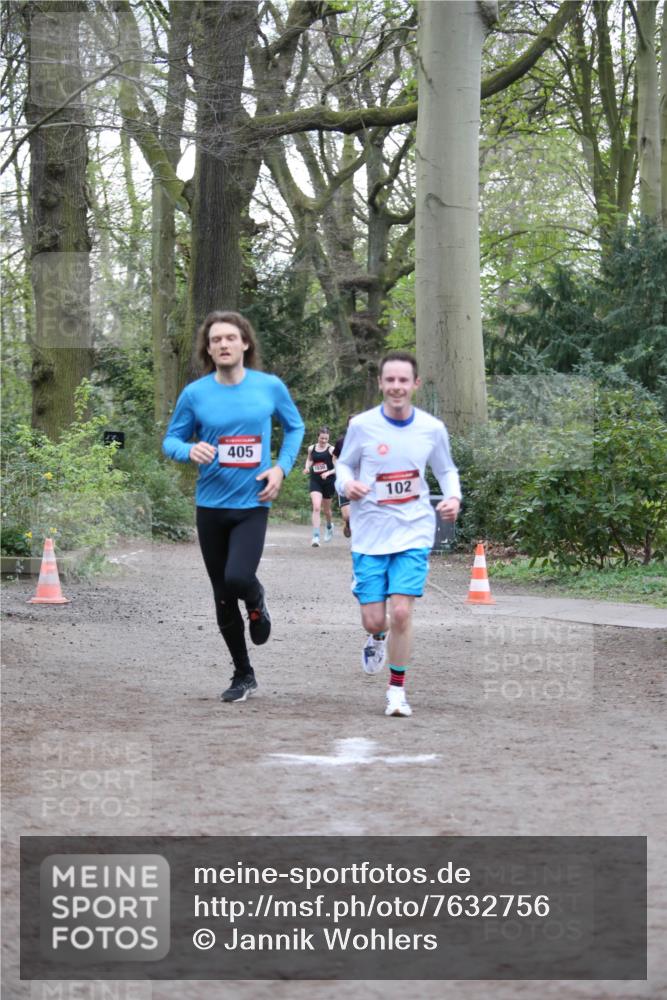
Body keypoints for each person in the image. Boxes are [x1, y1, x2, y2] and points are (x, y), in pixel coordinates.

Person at [162, 311, 305, 703]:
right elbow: (170, 441)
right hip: (210, 506)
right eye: (215, 340)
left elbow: (295, 428)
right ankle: (243, 673)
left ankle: (257, 600)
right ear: (208, 349)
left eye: (230, 337)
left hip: (252, 503)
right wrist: (190, 449)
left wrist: (281, 467)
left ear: (245, 343)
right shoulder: (196, 394)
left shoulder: (269, 387)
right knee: (222, 594)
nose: (223, 344)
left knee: (239, 579)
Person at [335, 350, 461, 718]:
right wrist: (349, 483)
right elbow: (343, 463)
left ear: (415, 384)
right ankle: (376, 637)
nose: (396, 387)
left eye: (403, 380)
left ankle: (397, 691)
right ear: (380, 383)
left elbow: (446, 469)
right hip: (370, 534)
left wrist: (453, 497)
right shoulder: (362, 425)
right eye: (390, 380)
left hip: (413, 530)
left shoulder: (432, 429)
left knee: (402, 612)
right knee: (376, 620)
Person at [303, 426, 336, 546]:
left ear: (329, 438)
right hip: (315, 480)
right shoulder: (311, 448)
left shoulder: (332, 450)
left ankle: (329, 526)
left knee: (326, 510)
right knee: (316, 507)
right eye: (322, 438)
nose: (323, 441)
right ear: (318, 437)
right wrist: (307, 467)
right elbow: (310, 460)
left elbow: (338, 467)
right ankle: (316, 537)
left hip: (328, 481)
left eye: (326, 439)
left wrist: (328, 472)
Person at [333, 417, 353, 538]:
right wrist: (338, 470)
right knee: (347, 516)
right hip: (345, 480)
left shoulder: (366, 441)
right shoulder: (341, 442)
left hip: (360, 481)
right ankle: (348, 523)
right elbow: (334, 457)